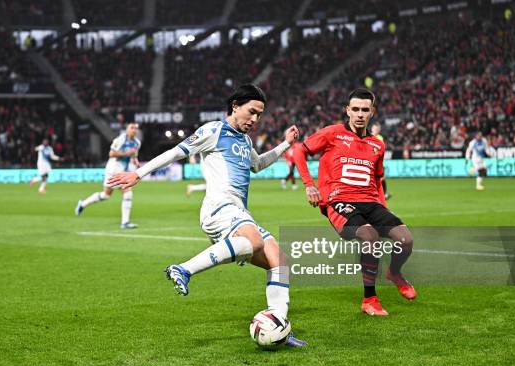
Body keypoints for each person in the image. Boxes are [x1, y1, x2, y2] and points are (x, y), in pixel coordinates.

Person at [107, 84, 306, 346]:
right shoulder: (214, 130)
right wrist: (138, 173)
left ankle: (278, 325)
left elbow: (257, 165)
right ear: (235, 106)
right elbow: (175, 152)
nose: (255, 120)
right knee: (255, 241)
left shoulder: (245, 140)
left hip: (237, 211)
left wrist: (285, 145)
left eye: (260, 114)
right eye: (252, 112)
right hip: (218, 208)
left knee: (278, 261)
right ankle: (183, 269)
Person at [294, 88, 415, 316]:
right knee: (369, 236)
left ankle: (394, 273)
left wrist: (383, 208)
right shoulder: (333, 134)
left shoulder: (377, 145)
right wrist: (309, 185)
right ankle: (369, 299)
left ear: (372, 112)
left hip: (371, 202)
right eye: (356, 109)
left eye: (365, 110)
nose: (360, 114)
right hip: (339, 201)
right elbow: (300, 151)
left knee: (406, 240)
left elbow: (377, 179)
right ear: (347, 110)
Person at [75, 122, 141, 229]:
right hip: (113, 169)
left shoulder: (137, 142)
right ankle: (125, 222)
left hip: (122, 170)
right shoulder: (120, 139)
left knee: (106, 195)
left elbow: (134, 154)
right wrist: (126, 153)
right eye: (132, 127)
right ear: (127, 129)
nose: (134, 130)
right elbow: (111, 154)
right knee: (127, 191)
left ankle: (82, 204)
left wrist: (135, 161)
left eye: (136, 128)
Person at [370, 122, 391, 199]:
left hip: (378, 161)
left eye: (377, 129)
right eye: (375, 128)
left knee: (382, 178)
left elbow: (381, 149)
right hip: (370, 160)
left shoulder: (380, 138)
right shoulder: (368, 136)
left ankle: (383, 193)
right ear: (372, 128)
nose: (376, 130)